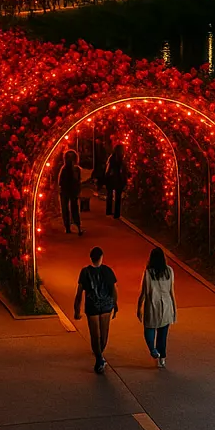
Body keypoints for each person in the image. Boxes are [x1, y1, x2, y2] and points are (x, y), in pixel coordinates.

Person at [73, 246, 118, 374]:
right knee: (103, 336)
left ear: (91, 258)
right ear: (102, 257)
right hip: (106, 307)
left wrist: (77, 309)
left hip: (91, 306)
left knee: (94, 335)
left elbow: (79, 293)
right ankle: (99, 357)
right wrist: (115, 305)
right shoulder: (108, 271)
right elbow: (114, 290)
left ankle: (99, 358)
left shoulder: (85, 272)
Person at [137, 246, 177, 368]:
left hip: (152, 304)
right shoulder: (169, 271)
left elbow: (143, 292)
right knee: (162, 334)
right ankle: (162, 359)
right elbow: (172, 291)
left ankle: (153, 350)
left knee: (149, 329)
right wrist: (175, 309)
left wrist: (139, 307)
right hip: (166, 305)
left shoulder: (148, 272)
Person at [58, 150, 84, 236]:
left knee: (72, 208)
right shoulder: (66, 169)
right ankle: (70, 227)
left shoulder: (75, 169)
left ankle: (75, 226)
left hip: (70, 191)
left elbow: (78, 181)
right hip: (67, 191)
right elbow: (61, 182)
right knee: (69, 209)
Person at [104, 141, 127, 219]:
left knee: (109, 195)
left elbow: (108, 169)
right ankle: (117, 214)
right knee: (118, 197)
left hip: (111, 179)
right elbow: (124, 170)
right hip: (119, 179)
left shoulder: (111, 158)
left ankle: (108, 211)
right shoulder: (122, 159)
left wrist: (106, 177)